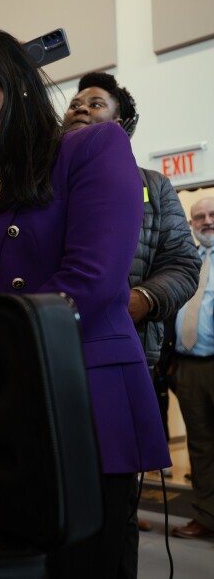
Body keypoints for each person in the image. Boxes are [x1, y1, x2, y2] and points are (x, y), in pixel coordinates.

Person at [0, 29, 170, 578]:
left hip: (85, 399)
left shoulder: (92, 147)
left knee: (87, 564)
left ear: (12, 80)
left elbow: (94, 280)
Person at [63, 73, 201, 544]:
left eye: (96, 103)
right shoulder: (42, 178)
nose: (80, 108)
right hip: (54, 354)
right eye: (75, 103)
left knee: (114, 499)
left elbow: (184, 263)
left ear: (122, 124)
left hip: (126, 354)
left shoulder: (154, 187)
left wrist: (140, 301)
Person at [168, 196, 214, 540]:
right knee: (200, 446)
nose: (207, 221)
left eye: (212, 215)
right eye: (199, 217)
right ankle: (206, 516)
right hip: (188, 367)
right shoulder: (188, 260)